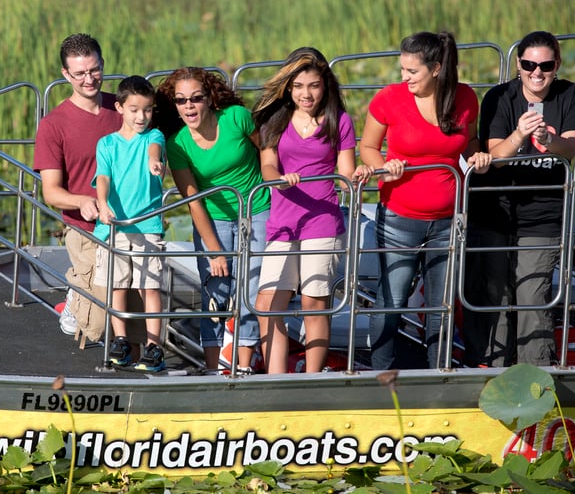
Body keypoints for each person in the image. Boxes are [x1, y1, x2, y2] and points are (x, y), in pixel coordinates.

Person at [358, 31, 492, 370]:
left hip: (449, 219)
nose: (404, 78)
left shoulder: (464, 98)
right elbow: (368, 148)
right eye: (402, 69)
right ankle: (381, 379)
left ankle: (439, 376)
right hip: (400, 219)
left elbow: (470, 141)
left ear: (436, 68)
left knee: (442, 305)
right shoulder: (389, 98)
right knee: (392, 301)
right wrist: (382, 167)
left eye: (411, 71)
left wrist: (478, 156)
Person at [462, 31, 575, 367]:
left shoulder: (574, 96)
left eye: (545, 65)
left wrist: (549, 138)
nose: (537, 72)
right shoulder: (499, 96)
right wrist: (520, 134)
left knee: (532, 298)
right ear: (518, 65)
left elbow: (572, 147)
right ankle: (489, 377)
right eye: (529, 64)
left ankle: (536, 384)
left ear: (557, 65)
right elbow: (495, 155)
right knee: (493, 297)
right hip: (494, 211)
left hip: (544, 216)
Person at [250, 47, 372, 374]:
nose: (307, 94)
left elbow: (345, 172)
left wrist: (355, 177)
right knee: (267, 304)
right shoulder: (274, 120)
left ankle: (310, 380)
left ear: (325, 86)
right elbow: (268, 166)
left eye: (314, 86)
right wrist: (279, 181)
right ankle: (275, 380)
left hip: (322, 220)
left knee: (313, 305)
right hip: (283, 222)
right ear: (289, 87)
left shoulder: (339, 120)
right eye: (299, 86)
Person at [154, 67, 271, 373]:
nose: (189, 106)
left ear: (209, 98)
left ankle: (243, 365)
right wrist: (215, 250)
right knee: (215, 293)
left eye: (196, 98)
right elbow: (193, 201)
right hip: (213, 218)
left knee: (250, 287)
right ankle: (212, 368)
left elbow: (270, 154)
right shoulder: (177, 144)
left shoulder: (236, 118)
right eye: (181, 101)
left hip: (257, 209)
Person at [33, 33, 143, 345]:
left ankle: (133, 360)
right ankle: (76, 298)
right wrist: (82, 200)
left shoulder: (122, 108)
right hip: (87, 229)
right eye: (79, 73)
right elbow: (51, 192)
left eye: (94, 70)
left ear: (103, 65)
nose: (89, 79)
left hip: (132, 222)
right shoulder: (53, 125)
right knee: (93, 328)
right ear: (66, 75)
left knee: (137, 319)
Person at [92, 75, 167, 372]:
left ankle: (153, 346)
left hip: (146, 226)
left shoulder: (154, 136)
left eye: (147, 110)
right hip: (115, 227)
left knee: (150, 287)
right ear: (120, 107)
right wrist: (103, 203)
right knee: (117, 285)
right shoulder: (107, 144)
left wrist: (154, 164)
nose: (141, 116)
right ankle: (121, 340)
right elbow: (103, 177)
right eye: (134, 109)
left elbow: (153, 152)